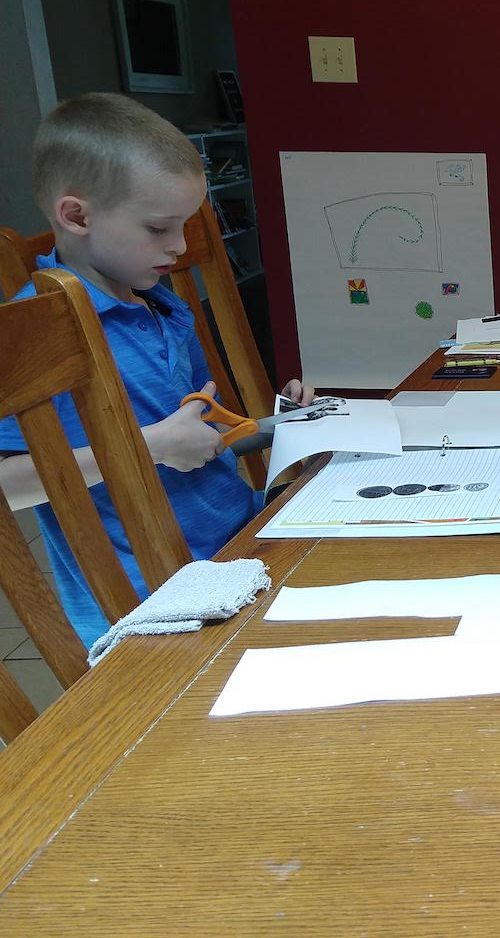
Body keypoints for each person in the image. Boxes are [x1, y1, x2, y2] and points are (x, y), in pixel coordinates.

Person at [0, 93, 312, 647]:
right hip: (152, 608)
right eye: (160, 228)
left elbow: (199, 441)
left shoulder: (163, 305)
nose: (180, 246)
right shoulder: (33, 331)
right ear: (76, 216)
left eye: (187, 226)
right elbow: (9, 488)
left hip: (238, 551)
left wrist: (278, 426)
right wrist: (150, 446)